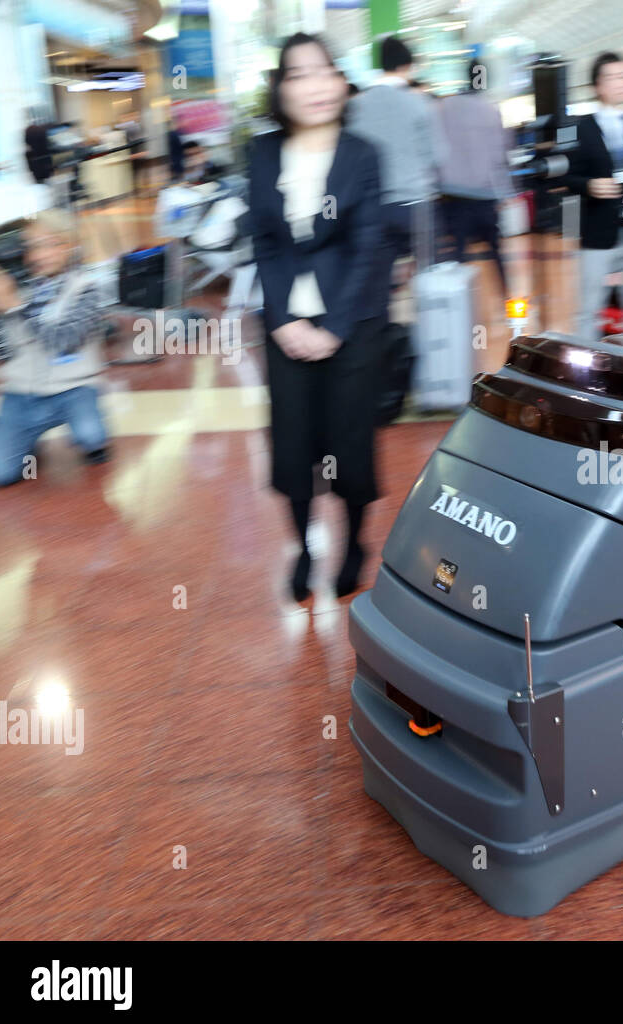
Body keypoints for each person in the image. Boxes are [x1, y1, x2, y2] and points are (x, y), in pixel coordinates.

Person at [248, 32, 386, 603]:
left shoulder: (363, 153)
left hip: (352, 325)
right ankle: (303, 547)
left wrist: (333, 328)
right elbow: (264, 241)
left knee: (350, 444)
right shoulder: (262, 152)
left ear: (341, 81)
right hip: (284, 323)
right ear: (280, 89)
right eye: (298, 74)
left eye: (325, 71)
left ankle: (355, 542)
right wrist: (282, 319)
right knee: (292, 443)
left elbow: (369, 245)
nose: (315, 85)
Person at [0, 208, 111, 487]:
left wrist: (17, 306)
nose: (40, 255)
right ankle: (26, 439)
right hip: (23, 395)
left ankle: (89, 425)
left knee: (92, 436)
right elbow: (3, 354)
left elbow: (63, 341)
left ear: (69, 245)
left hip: (74, 389)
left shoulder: (86, 288)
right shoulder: (13, 287)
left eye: (49, 244)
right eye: (31, 247)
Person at [561, 52, 623, 341]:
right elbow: (566, 177)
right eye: (614, 77)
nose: (622, 83)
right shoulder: (580, 128)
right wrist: (590, 185)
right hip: (599, 231)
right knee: (589, 308)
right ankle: (585, 367)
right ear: (598, 86)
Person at [347, 35, 444, 279]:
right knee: (429, 280)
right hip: (415, 206)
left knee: (378, 286)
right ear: (406, 66)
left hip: (374, 208)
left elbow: (350, 158)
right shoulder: (419, 103)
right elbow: (438, 155)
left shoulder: (357, 106)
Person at [437, 59, 513, 294]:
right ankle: (507, 298)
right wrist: (505, 193)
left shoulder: (446, 107)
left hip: (454, 195)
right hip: (485, 195)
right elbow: (500, 156)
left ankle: (457, 302)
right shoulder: (491, 110)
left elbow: (437, 149)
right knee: (496, 251)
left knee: (458, 253)